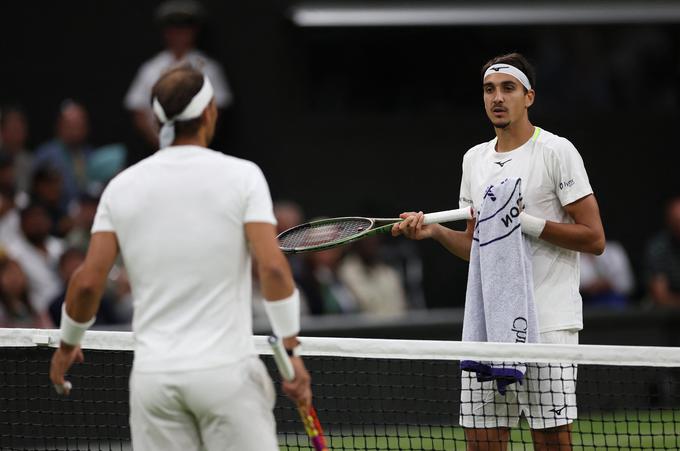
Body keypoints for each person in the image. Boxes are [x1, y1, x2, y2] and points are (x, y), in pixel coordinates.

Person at [49, 65, 311, 451]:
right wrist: (291, 350)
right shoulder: (244, 177)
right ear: (209, 113)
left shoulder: (121, 187)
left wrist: (68, 344)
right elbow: (272, 267)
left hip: (155, 382)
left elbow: (88, 281)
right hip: (226, 378)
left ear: (157, 121)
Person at [392, 53, 605, 450]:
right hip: (488, 326)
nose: (497, 97)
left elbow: (594, 238)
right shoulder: (474, 159)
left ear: (529, 97)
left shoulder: (557, 151)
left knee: (552, 443)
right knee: (482, 442)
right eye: (490, 89)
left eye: (508, 88)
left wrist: (524, 223)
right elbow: (478, 249)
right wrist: (436, 233)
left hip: (548, 324)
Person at [124, 0, 231, 150]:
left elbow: (219, 106)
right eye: (174, 29)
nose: (179, 35)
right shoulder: (150, 68)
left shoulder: (209, 68)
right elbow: (138, 110)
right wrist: (163, 144)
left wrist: (197, 140)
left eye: (184, 28)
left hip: (200, 146)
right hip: (159, 149)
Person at [32, 101, 94, 209]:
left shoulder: (90, 154)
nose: (76, 130)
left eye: (81, 125)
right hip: (57, 215)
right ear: (60, 125)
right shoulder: (46, 154)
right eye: (72, 125)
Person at [644, 196, 680, 307]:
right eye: (677, 222)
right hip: (666, 316)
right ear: (669, 221)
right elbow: (661, 297)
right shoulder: (658, 248)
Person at [0, 106, 33, 193]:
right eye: (12, 128)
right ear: (2, 131)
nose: (15, 134)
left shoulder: (31, 161)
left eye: (18, 129)